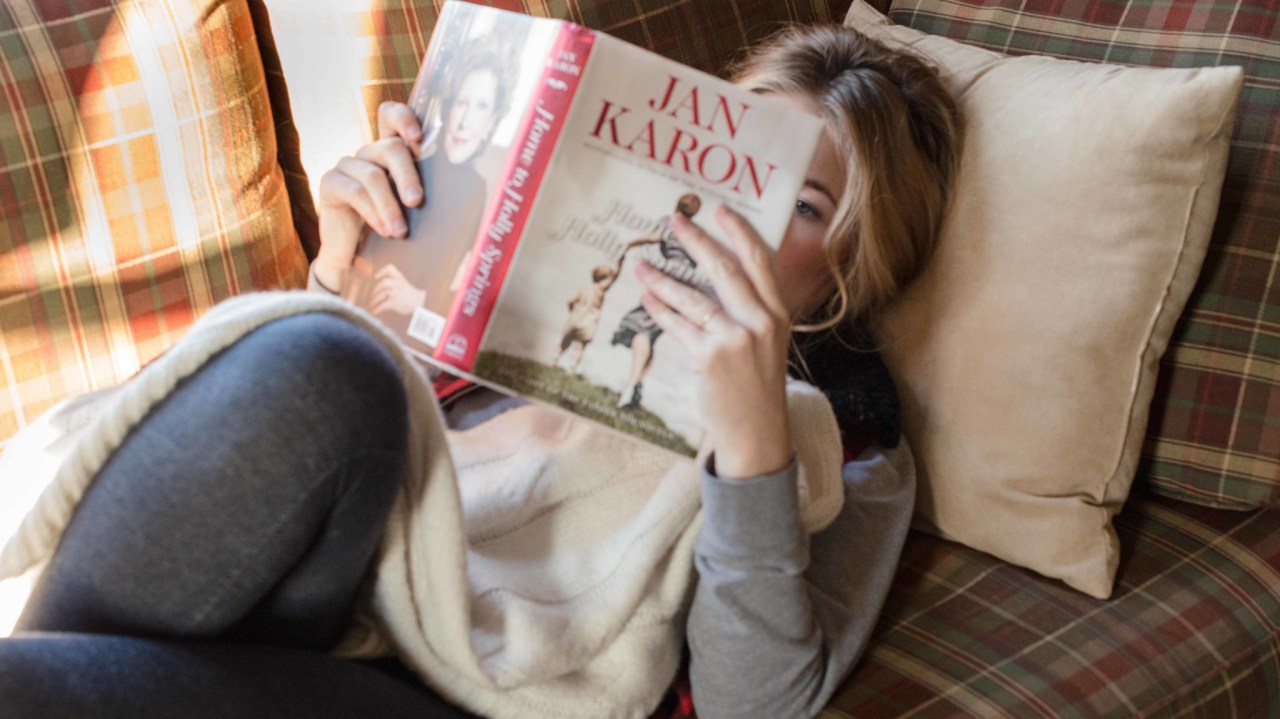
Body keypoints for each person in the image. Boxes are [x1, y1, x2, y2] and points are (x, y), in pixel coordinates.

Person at [0, 24, 960, 719]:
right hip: (331, 581)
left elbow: (758, 706)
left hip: (464, 684)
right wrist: (349, 266)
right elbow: (297, 460)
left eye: (801, 202)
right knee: (327, 357)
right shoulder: (548, 285)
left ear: (850, 271)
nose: (733, 213)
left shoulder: (847, 437)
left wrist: (752, 451)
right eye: (732, 162)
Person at [346, 37, 515, 339]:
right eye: (461, 102)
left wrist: (419, 301)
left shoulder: (477, 189)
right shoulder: (408, 164)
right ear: (447, 108)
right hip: (371, 323)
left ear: (491, 123)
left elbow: (457, 284)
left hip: (420, 333)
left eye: (481, 107)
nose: (465, 121)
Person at [611, 193, 706, 409]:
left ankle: (630, 387)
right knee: (651, 334)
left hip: (666, 282)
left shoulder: (669, 221)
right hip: (684, 288)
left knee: (642, 329)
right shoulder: (694, 231)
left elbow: (652, 237)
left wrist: (628, 244)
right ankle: (636, 386)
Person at [554, 263, 620, 373]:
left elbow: (571, 301)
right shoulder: (600, 291)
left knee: (564, 342)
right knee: (579, 346)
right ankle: (571, 367)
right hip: (588, 323)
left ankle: (554, 359)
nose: (610, 283)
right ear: (603, 280)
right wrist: (620, 263)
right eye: (608, 280)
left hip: (574, 319)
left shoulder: (584, 289)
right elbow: (614, 277)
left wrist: (572, 311)